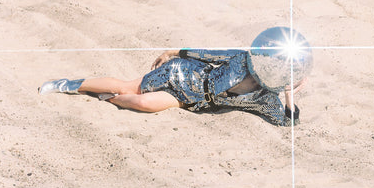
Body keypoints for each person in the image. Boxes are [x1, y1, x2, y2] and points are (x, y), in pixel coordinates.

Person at [39, 46, 308, 127]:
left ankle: (106, 98)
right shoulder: (243, 58)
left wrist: (288, 96)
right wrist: (174, 51)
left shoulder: (264, 97)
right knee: (131, 88)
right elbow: (208, 55)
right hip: (180, 74)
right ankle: (68, 84)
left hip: (188, 101)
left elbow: (287, 124)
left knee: (144, 105)